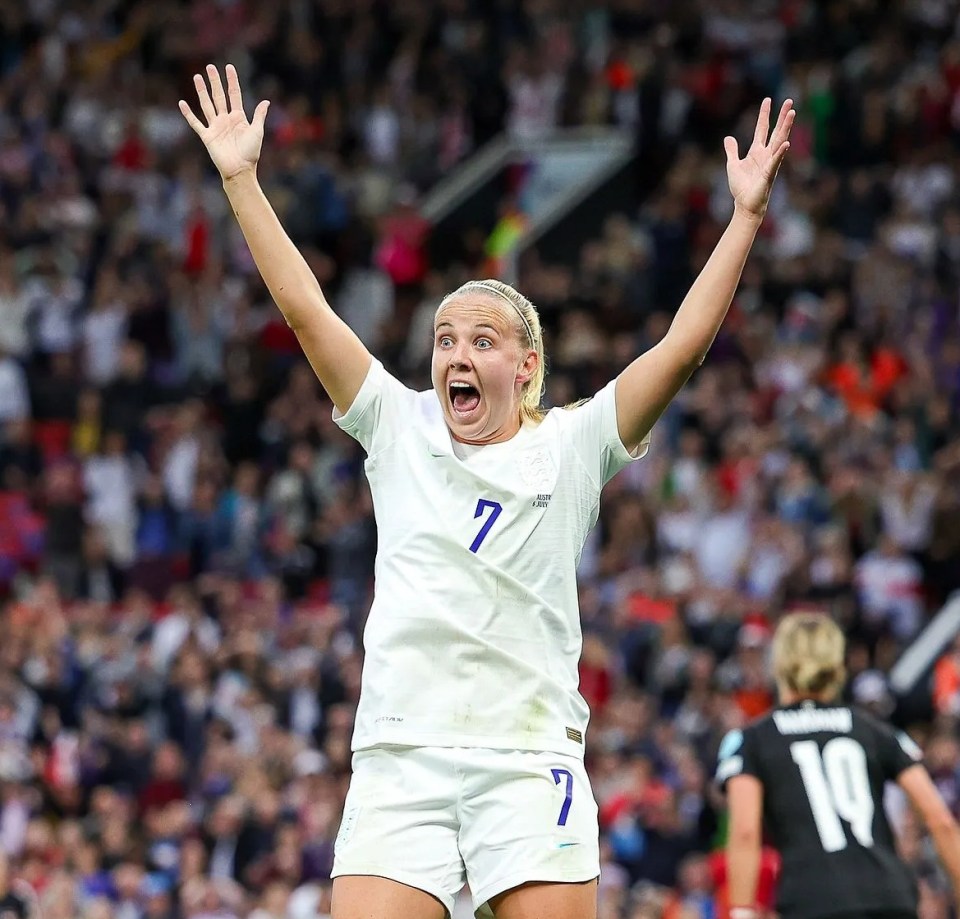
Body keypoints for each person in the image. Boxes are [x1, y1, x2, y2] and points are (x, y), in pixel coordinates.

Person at [180, 63, 794, 919]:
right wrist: (242, 181)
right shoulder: (398, 424)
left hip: (526, 757)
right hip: (403, 757)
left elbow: (681, 349)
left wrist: (745, 220)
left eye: (481, 339)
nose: (456, 355)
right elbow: (307, 312)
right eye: (442, 339)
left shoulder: (575, 443)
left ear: (527, 366)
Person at [716, 612, 960, 919]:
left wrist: (741, 911)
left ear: (779, 663)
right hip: (889, 896)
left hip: (812, 899)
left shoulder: (751, 740)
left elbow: (745, 831)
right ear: (837, 665)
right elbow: (940, 820)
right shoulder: (874, 730)